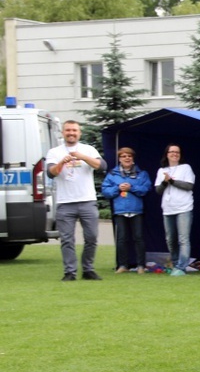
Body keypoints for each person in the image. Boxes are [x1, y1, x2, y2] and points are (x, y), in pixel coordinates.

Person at [45, 120, 107, 281]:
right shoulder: (54, 152)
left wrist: (83, 157)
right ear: (63, 133)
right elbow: (51, 173)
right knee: (67, 239)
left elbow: (102, 166)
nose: (71, 133)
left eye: (74, 130)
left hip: (87, 200)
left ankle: (88, 269)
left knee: (92, 237)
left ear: (79, 133)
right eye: (68, 130)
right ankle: (70, 272)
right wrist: (62, 162)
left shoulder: (88, 149)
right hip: (65, 203)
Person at [101, 147, 152, 274]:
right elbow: (105, 191)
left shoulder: (142, 174)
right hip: (120, 211)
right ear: (119, 159)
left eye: (129, 156)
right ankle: (122, 265)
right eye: (124, 156)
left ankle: (141, 266)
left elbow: (146, 189)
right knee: (121, 239)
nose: (127, 158)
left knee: (139, 238)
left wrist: (132, 187)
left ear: (133, 158)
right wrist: (118, 188)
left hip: (137, 210)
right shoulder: (112, 174)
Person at [154, 144, 195, 277]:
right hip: (168, 208)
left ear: (180, 155)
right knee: (170, 239)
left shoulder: (186, 168)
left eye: (177, 152)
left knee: (183, 239)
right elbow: (158, 190)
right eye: (171, 152)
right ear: (167, 154)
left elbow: (189, 186)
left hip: (184, 207)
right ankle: (176, 264)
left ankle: (182, 267)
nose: (174, 154)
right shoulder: (161, 171)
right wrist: (165, 182)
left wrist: (171, 181)